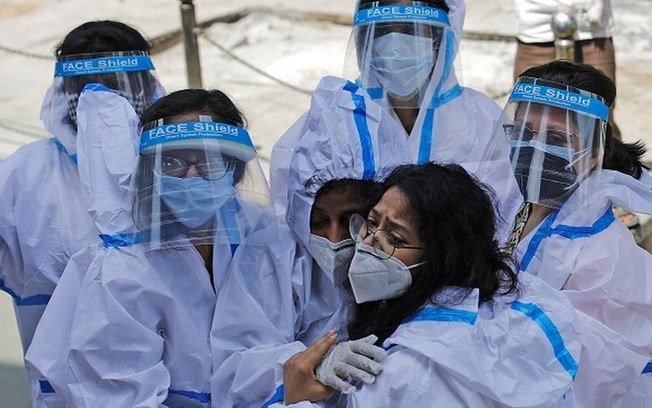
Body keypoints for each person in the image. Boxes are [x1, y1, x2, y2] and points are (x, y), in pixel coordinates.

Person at [26, 87, 277, 407]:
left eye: (209, 162)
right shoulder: (125, 268)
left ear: (236, 170)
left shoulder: (253, 234)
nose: (190, 177)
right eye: (173, 162)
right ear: (150, 171)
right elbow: (121, 394)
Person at [283, 163, 582, 407]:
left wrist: (296, 399)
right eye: (372, 223)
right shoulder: (507, 299)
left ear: (442, 258)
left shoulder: (402, 374)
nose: (369, 243)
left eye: (396, 239)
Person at [210, 76, 412, 407]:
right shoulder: (272, 257)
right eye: (317, 221)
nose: (334, 239)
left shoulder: (403, 248)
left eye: (352, 220)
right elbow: (237, 365)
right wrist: (312, 363)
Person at [0, 20, 163, 407]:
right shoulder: (21, 176)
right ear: (63, 89)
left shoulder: (182, 169)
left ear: (146, 87)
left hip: (170, 384)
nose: (99, 96)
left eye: (117, 82)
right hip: (63, 391)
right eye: (84, 84)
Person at [483, 60, 652, 406]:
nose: (534, 148)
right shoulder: (500, 193)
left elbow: (574, 376)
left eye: (556, 139)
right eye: (524, 132)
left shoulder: (603, 258)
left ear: (593, 153)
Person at [270, 0, 514, 238]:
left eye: (410, 29)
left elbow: (503, 220)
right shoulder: (333, 118)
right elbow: (292, 218)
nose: (395, 47)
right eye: (383, 30)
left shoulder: (483, 121)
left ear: (441, 39)